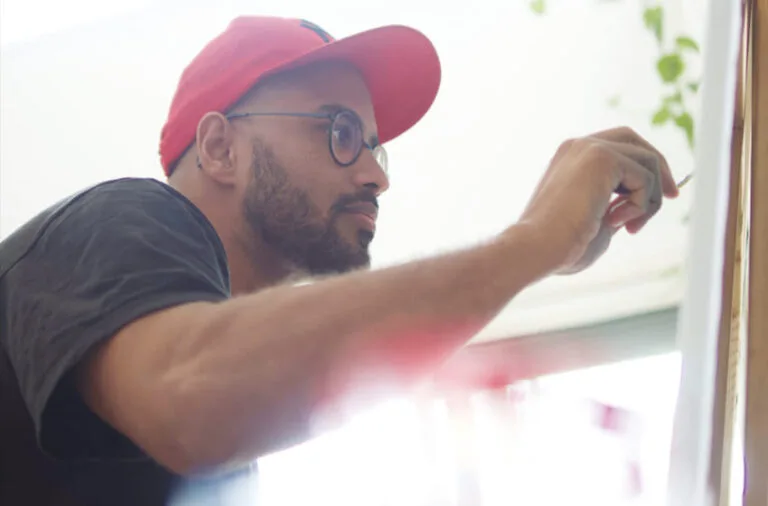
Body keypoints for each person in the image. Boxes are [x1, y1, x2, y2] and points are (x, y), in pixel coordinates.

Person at [0, 15, 679, 506]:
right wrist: (536, 241)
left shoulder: (236, 416)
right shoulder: (123, 217)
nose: (377, 176)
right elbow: (191, 397)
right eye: (341, 132)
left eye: (375, 147)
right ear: (220, 149)